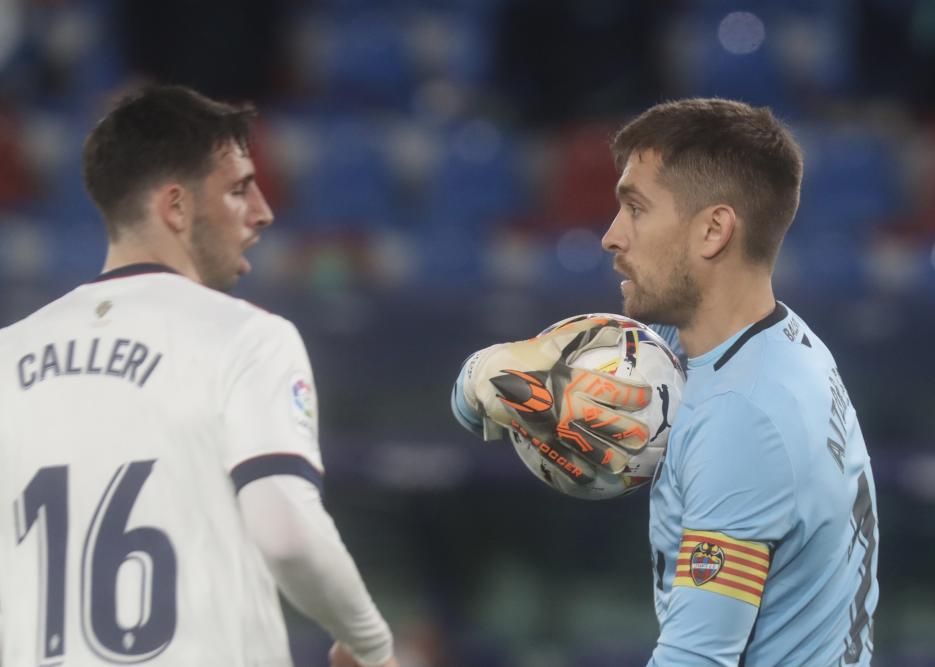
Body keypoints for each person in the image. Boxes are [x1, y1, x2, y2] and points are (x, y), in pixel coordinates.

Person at [451, 98, 878, 666]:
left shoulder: (744, 419)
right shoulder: (746, 342)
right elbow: (475, 398)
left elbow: (696, 661)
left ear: (712, 230)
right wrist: (487, 376)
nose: (610, 235)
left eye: (635, 208)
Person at [0, 85, 398, 667]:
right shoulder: (246, 338)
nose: (263, 211)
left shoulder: (9, 353)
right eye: (239, 189)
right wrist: (370, 643)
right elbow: (286, 531)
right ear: (176, 207)